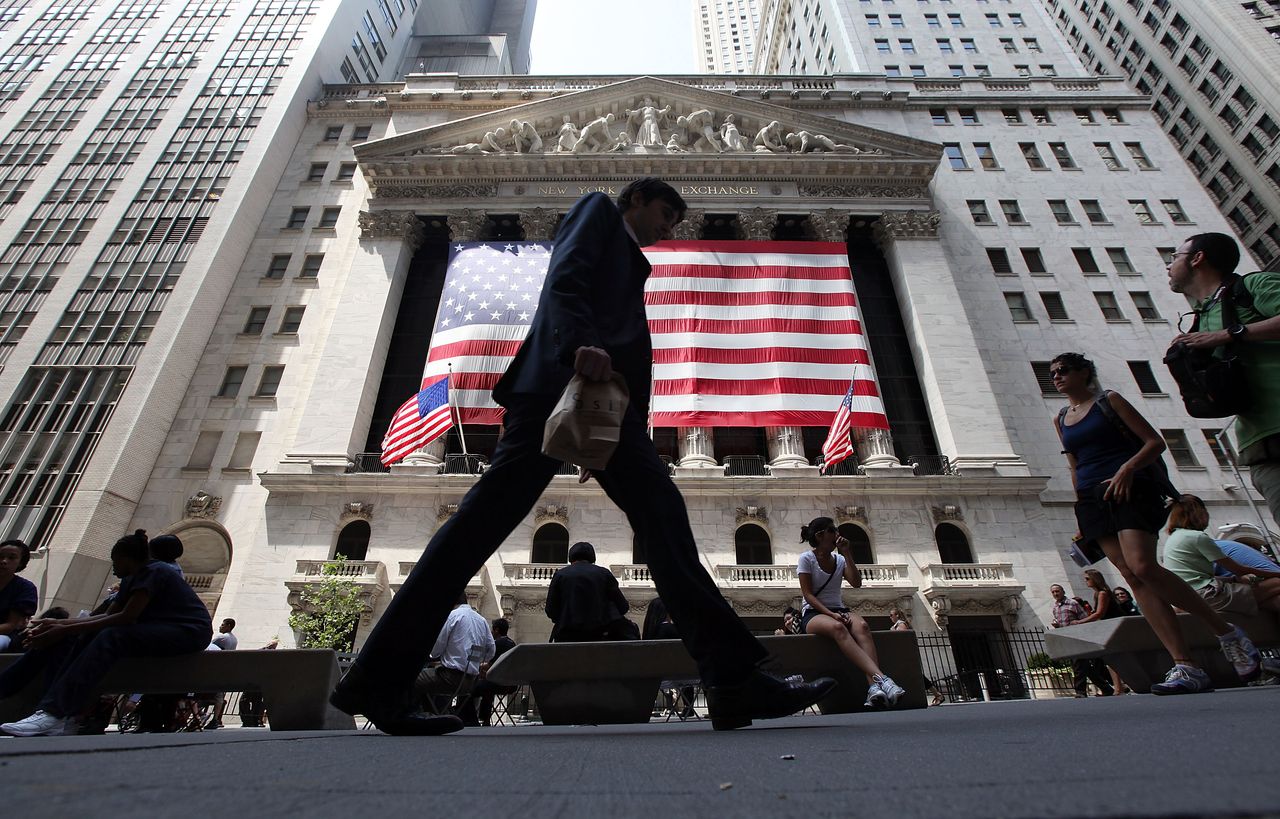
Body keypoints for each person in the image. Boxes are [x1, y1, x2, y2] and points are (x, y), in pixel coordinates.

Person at [330, 178, 835, 735]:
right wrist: (577, 347)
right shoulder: (597, 209)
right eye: (666, 213)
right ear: (637, 200)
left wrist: (608, 434)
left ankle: (733, 681)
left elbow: (628, 341)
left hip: (603, 412)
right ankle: (377, 681)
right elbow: (563, 281)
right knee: (476, 531)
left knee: (661, 521)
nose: (670, 228)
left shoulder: (631, 258)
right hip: (561, 387)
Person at [1052, 352, 1269, 694]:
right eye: (1053, 372)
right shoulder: (1062, 418)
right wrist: (1081, 507)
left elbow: (1155, 442)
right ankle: (1185, 665)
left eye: (1063, 370)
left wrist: (1127, 469)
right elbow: (1075, 465)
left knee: (1144, 566)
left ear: (1084, 373)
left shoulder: (1110, 401)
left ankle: (1226, 632)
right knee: (1131, 576)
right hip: (1093, 500)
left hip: (1130, 488)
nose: (1056, 377)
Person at [0, 530, 212, 737]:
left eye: (115, 561)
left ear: (128, 559)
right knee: (69, 637)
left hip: (188, 632)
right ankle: (34, 704)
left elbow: (125, 618)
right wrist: (59, 626)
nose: (113, 568)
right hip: (159, 630)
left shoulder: (155, 572)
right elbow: (106, 616)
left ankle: (54, 713)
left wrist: (64, 626)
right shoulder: (132, 578)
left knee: (111, 636)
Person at [1168, 232, 1280, 527]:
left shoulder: (1252, 286)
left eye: (1174, 257)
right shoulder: (1199, 317)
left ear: (1197, 258)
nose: (1168, 266)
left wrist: (1228, 334)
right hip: (1259, 447)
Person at [797, 516, 905, 709]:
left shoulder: (839, 559)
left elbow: (856, 583)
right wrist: (831, 615)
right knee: (838, 628)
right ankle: (883, 679)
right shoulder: (807, 558)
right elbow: (808, 595)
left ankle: (874, 688)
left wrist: (847, 553)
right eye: (833, 530)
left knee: (862, 626)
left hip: (839, 609)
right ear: (821, 535)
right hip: (813, 613)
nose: (837, 533)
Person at [1161, 495, 1280, 621]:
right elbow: (1239, 570)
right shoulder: (1198, 537)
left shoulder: (1174, 539)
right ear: (1200, 513)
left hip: (1189, 596)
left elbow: (1195, 577)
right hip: (1207, 596)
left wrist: (1234, 580)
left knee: (1272, 600)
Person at [413, 594, 494, 716]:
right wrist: (474, 662)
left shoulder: (453, 616)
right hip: (471, 681)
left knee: (410, 678)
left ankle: (412, 715)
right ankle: (436, 713)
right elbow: (491, 650)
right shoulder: (481, 620)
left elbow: (436, 650)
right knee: (431, 677)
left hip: (451, 678)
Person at [545, 541, 638, 642]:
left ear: (571, 557)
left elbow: (550, 610)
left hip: (566, 637)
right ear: (592, 558)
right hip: (599, 637)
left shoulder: (560, 575)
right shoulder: (604, 573)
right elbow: (623, 607)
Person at [1049, 583, 1114, 697]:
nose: (1055, 594)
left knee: (1078, 664)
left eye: (1057, 591)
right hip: (1066, 637)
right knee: (1085, 667)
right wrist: (1057, 626)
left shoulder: (1072, 603)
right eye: (1053, 592)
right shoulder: (1055, 607)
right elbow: (1061, 623)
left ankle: (1080, 691)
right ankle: (1106, 688)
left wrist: (1078, 624)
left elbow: (1084, 617)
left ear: (1063, 591)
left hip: (1077, 636)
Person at [1076, 569, 1129, 693]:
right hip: (1109, 625)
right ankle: (1119, 687)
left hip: (1113, 625)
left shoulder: (1102, 593)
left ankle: (1118, 687)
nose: (1085, 581)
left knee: (1112, 658)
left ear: (1095, 579)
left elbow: (1100, 613)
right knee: (1111, 658)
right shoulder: (1098, 594)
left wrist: (1080, 622)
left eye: (1087, 578)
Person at [462, 618, 516, 727]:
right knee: (486, 688)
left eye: (492, 630)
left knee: (468, 689)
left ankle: (471, 719)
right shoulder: (512, 643)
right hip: (511, 685)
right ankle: (485, 719)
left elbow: (489, 665)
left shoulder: (497, 644)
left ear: (496, 630)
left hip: (498, 683)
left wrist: (475, 666)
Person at [888, 607, 944, 706]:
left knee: (916, 675)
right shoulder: (898, 625)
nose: (890, 617)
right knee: (913, 675)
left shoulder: (901, 625)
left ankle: (937, 694)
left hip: (905, 655)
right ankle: (936, 694)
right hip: (903, 655)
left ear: (897, 615)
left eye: (891, 615)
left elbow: (901, 640)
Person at [0, 539, 38, 653]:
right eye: (0, 556)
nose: (3, 561)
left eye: (12, 558)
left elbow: (11, 625)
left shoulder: (25, 588)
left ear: (21, 563)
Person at [203, 618, 238, 729]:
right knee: (219, 696)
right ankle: (216, 719)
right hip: (225, 670)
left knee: (200, 693)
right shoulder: (234, 639)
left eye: (222, 625)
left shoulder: (222, 637)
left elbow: (207, 648)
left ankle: (199, 715)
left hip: (213, 669)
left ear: (228, 625)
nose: (220, 627)